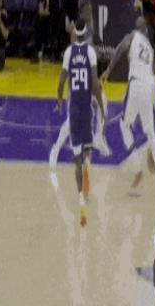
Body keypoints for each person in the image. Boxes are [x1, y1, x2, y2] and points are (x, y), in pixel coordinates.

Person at [101, 16, 155, 199]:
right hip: (148, 89)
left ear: (136, 28)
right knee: (151, 134)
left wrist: (108, 70)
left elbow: (119, 49)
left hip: (135, 85)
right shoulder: (151, 50)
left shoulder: (132, 37)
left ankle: (137, 168)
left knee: (124, 125)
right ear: (146, 30)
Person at [56, 18, 106, 227]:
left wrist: (59, 99)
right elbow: (94, 83)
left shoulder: (68, 53)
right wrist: (101, 105)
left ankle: (81, 202)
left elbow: (61, 81)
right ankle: (87, 162)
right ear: (86, 33)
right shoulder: (91, 52)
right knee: (87, 147)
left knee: (75, 157)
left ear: (74, 33)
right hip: (86, 108)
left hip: (74, 108)